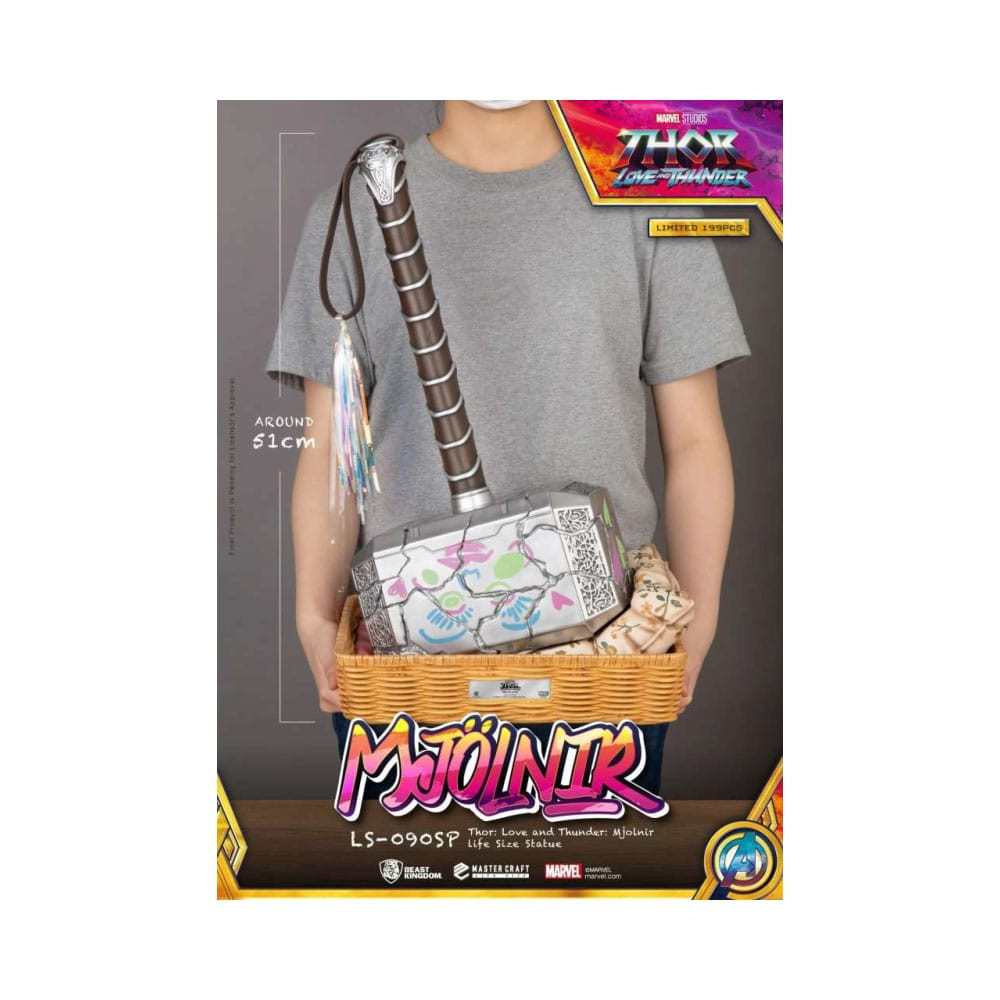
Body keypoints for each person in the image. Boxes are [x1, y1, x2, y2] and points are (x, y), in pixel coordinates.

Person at [266, 100, 748, 795]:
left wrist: (691, 628)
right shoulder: (350, 215)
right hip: (409, 657)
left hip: (606, 660)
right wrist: (315, 619)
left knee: (591, 866)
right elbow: (333, 452)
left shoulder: (648, 204)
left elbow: (697, 440)